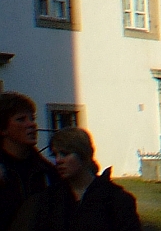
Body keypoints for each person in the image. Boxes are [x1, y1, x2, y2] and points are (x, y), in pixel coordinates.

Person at [32, 129, 139, 231]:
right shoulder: (50, 199)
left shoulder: (116, 200)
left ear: (83, 154)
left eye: (65, 154)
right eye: (55, 155)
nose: (58, 160)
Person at [0, 93, 54, 231]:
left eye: (32, 118)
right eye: (21, 119)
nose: (31, 124)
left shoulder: (48, 172)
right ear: (3, 129)